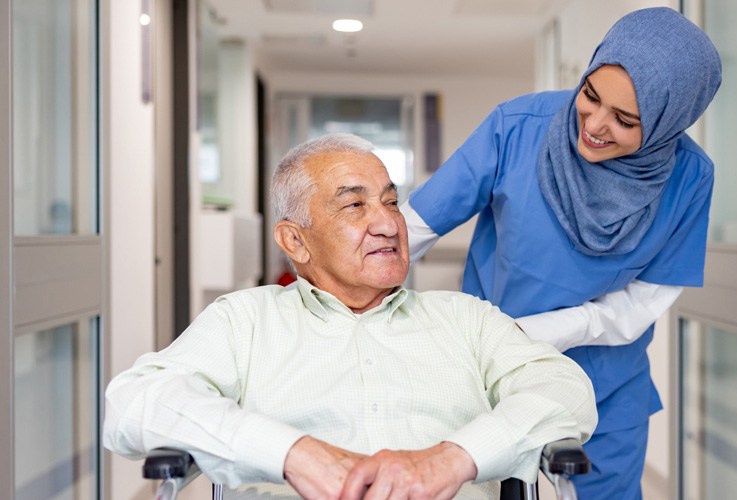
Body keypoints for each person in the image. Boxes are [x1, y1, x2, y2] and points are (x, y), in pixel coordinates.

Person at [103, 133, 597, 500]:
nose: (387, 222)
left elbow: (566, 391)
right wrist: (291, 454)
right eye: (354, 205)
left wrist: (454, 459)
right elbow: (131, 405)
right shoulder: (243, 321)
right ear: (294, 240)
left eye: (390, 201)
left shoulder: (466, 320)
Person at [401, 7, 722, 499]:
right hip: (492, 371)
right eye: (590, 96)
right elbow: (414, 227)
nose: (593, 125)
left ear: (666, 122)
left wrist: (539, 331)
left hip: (606, 384)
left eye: (625, 120)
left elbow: (643, 303)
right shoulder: (517, 127)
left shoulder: (689, 179)